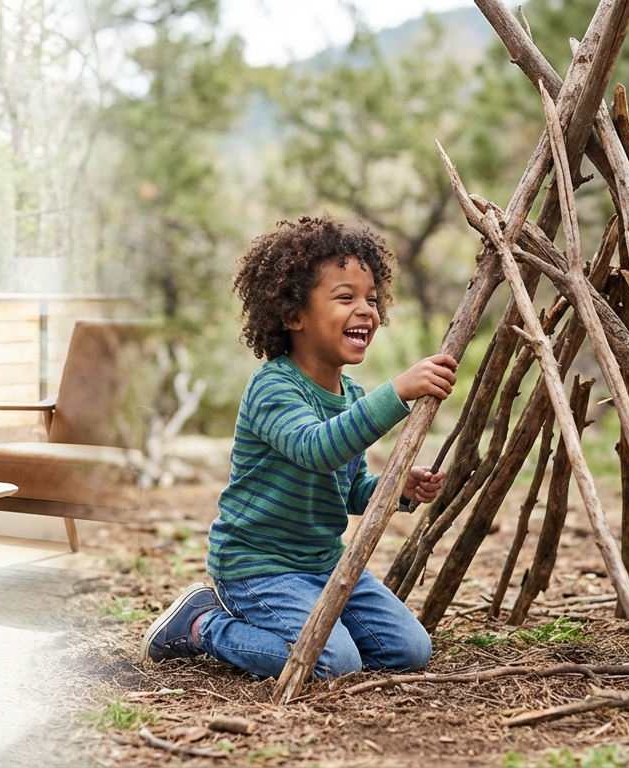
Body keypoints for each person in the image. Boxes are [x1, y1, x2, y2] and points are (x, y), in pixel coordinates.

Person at [140, 215, 458, 679]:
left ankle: (308, 627)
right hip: (258, 568)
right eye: (345, 297)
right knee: (334, 664)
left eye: (371, 299)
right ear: (293, 316)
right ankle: (201, 624)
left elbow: (343, 489)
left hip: (323, 565)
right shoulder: (273, 389)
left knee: (410, 651)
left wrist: (397, 488)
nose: (366, 310)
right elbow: (317, 450)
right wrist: (397, 392)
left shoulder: (349, 396)